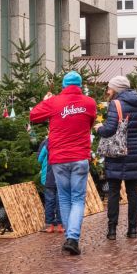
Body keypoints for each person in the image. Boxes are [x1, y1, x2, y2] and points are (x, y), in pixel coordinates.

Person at [29, 71, 97, 256]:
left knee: (65, 198)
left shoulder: (53, 102)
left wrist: (45, 100)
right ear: (80, 85)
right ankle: (72, 238)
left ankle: (70, 237)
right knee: (77, 198)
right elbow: (89, 123)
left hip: (58, 158)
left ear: (64, 85)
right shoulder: (89, 103)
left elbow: (33, 116)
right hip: (80, 157)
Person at [96, 76, 137, 240]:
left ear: (116, 89)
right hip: (134, 152)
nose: (108, 91)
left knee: (114, 192)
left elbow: (110, 129)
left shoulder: (115, 104)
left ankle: (112, 231)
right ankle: (133, 230)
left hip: (116, 154)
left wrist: (99, 128)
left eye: (109, 88)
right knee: (133, 192)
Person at [37, 137, 63, 233]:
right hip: (61, 177)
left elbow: (39, 159)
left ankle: (50, 226)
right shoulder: (63, 141)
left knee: (49, 202)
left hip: (48, 178)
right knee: (60, 201)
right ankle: (60, 226)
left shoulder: (46, 143)